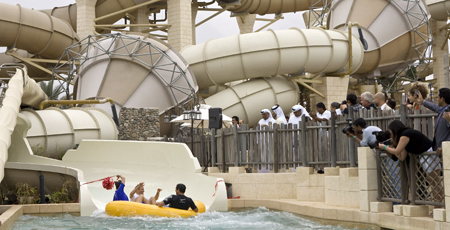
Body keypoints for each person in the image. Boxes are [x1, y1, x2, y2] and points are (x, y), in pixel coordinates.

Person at [416, 87, 450, 155]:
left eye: (438, 97)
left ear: (442, 99)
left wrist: (445, 146)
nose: (437, 99)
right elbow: (435, 107)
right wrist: (423, 101)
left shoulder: (448, 112)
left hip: (446, 150)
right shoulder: (444, 110)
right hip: (442, 150)